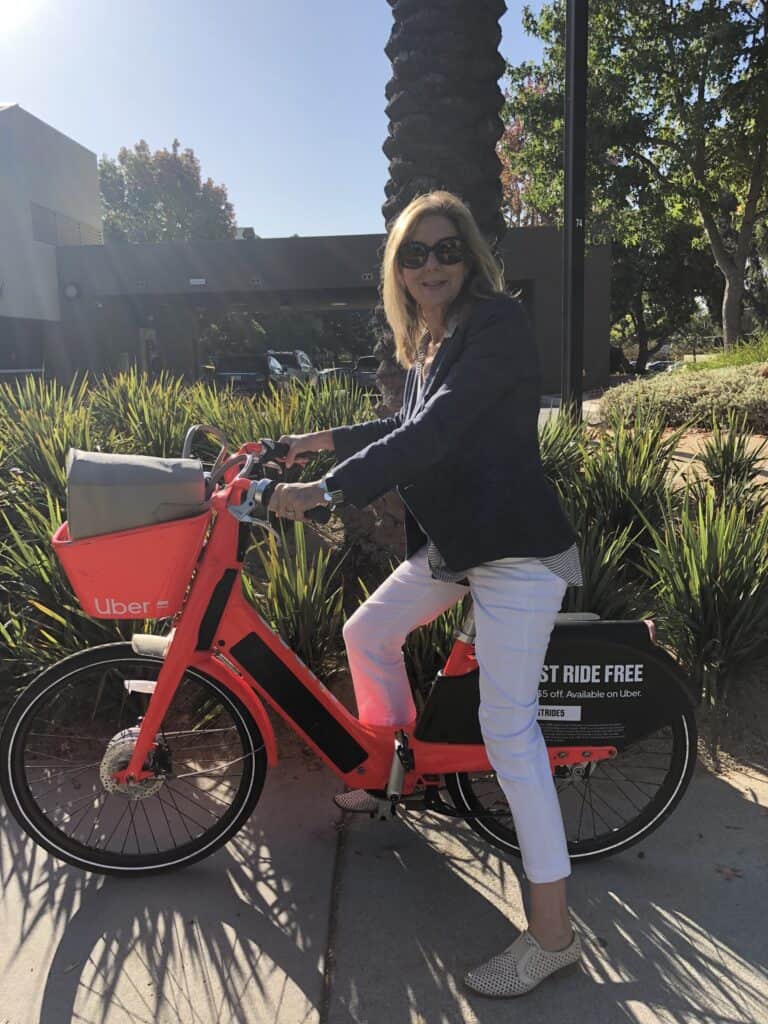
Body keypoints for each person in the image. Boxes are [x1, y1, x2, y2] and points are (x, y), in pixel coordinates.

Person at [269, 191, 584, 998]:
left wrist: (325, 491)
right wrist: (315, 443)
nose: (431, 265)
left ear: (469, 255)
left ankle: (553, 937)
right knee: (367, 632)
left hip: (513, 554)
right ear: (398, 270)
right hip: (457, 549)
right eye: (415, 254)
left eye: (446, 250)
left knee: (508, 733)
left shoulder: (497, 325)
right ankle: (392, 771)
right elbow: (401, 427)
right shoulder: (432, 342)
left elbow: (435, 434)